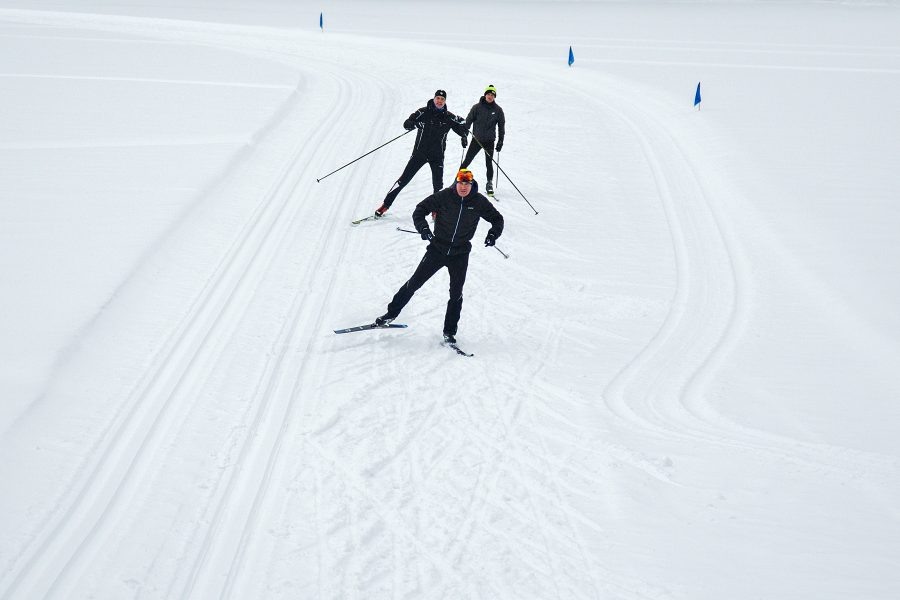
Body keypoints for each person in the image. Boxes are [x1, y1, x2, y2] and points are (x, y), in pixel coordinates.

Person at [374, 168, 504, 343]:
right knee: (414, 283)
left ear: (471, 185)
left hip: (460, 253)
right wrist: (424, 229)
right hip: (438, 249)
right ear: (456, 183)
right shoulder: (444, 196)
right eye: (461, 183)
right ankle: (390, 315)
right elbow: (420, 210)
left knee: (456, 294)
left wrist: (493, 234)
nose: (463, 187)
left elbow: (497, 219)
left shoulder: (479, 202)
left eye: (467, 184)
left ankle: (449, 332)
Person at [374, 90, 469, 218]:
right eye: (438, 98)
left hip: (437, 156)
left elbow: (462, 130)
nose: (439, 101)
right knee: (403, 180)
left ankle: (436, 210)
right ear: (434, 99)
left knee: (438, 186)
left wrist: (464, 132)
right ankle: (385, 205)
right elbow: (406, 124)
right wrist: (414, 124)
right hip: (420, 154)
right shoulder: (423, 112)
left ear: (445, 101)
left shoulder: (449, 117)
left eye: (442, 99)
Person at [460, 84, 506, 196]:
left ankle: (489, 183)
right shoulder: (477, 107)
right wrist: (464, 136)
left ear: (494, 97)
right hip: (477, 140)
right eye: (488, 94)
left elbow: (501, 127)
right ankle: (458, 179)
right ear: (485, 95)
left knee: (489, 163)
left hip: (489, 141)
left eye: (492, 95)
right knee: (467, 160)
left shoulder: (498, 110)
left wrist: (500, 141)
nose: (490, 96)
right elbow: (468, 121)